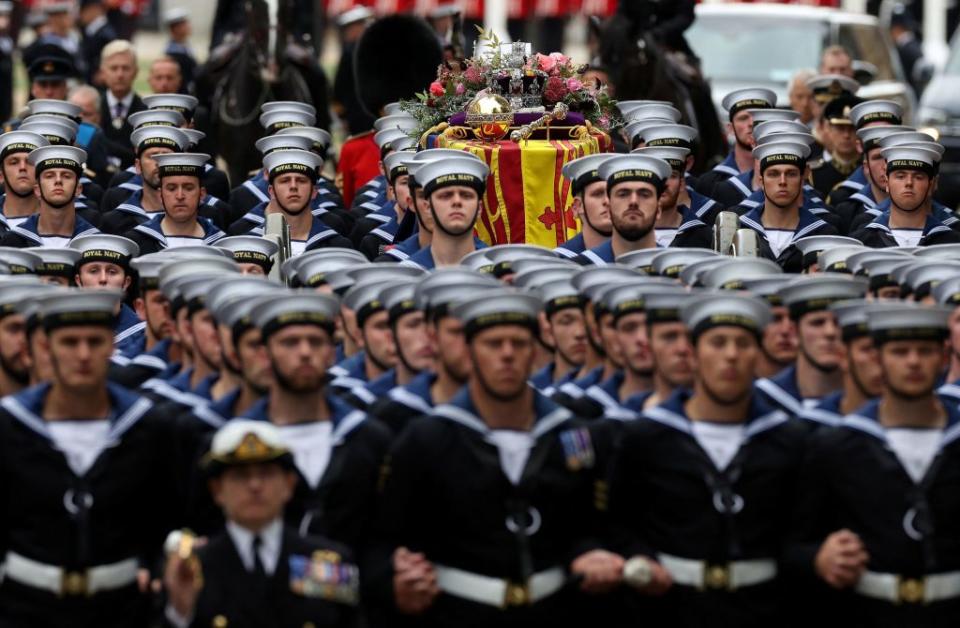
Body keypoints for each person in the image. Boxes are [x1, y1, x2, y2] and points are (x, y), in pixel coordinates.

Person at [374, 289, 619, 626]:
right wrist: (396, 576)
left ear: (535, 352)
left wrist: (592, 553)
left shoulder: (572, 434)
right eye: (493, 344)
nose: (507, 355)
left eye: (518, 344)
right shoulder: (426, 439)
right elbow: (384, 537)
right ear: (469, 351)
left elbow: (598, 523)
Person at [608, 292, 806, 627]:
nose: (731, 355)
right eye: (717, 342)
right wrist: (640, 559)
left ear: (758, 355)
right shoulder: (645, 437)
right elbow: (618, 521)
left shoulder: (788, 439)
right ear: (694, 353)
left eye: (743, 344)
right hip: (670, 607)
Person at [0, 288, 189, 626]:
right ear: (45, 348)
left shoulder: (147, 426)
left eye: (95, 341)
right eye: (70, 343)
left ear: (112, 346)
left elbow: (168, 516)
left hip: (123, 606)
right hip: (25, 606)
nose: (83, 355)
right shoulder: (10, 426)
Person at [787, 302, 960, 624]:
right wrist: (818, 557)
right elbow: (793, 542)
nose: (913, 362)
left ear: (943, 356)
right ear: (879, 359)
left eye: (925, 350)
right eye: (899, 351)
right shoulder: (836, 447)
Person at [163, 420, 361, 628]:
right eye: (240, 476)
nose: (255, 485)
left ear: (289, 484)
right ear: (217, 490)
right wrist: (180, 613)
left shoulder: (327, 562)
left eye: (266, 473)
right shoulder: (192, 569)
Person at [756, 275, 868, 416]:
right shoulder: (762, 401)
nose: (830, 332)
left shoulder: (873, 402)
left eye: (838, 323)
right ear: (795, 331)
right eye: (817, 323)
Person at [737, 141, 838, 271]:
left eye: (791, 174)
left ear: (802, 181)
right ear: (762, 181)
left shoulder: (824, 234)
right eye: (773, 174)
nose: (782, 181)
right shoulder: (739, 229)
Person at [854, 145, 960, 248]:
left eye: (918, 177)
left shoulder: (954, 243)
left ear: (930, 185)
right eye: (900, 176)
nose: (909, 182)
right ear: (887, 183)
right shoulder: (861, 242)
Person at [576, 155, 672, 265]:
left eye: (644, 194)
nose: (633, 201)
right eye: (623, 194)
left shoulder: (674, 269)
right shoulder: (579, 270)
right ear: (609, 206)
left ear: (659, 209)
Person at [123, 153, 226, 254]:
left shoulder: (221, 244)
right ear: (160, 195)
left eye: (188, 188)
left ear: (202, 195)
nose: (180, 196)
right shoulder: (136, 242)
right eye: (171, 189)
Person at [0, 145, 100, 248]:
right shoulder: (14, 240)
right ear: (37, 190)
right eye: (49, 176)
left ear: (78, 189)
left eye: (66, 176)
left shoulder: (95, 242)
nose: (58, 180)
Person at [401, 156, 490, 270]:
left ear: (479, 208)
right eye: (445, 195)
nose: (457, 201)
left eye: (466, 195)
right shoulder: (408, 275)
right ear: (427, 207)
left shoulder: (497, 275)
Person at [694, 88, 776, 198]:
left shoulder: (788, 179)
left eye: (759, 118)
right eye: (743, 118)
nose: (751, 123)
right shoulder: (708, 183)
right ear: (731, 128)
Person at [98, 40, 146, 168]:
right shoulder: (92, 108)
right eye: (114, 68)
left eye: (126, 68)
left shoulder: (146, 112)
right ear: (103, 73)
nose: (120, 74)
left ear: (135, 71)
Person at [554, 154, 611, 259]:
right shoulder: (559, 262)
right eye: (598, 194)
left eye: (617, 194)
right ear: (577, 207)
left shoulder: (646, 256)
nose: (607, 201)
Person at [0, 130, 48, 231]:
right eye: (14, 162)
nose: (22, 167)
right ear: (1, 174)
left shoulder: (61, 220)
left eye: (30, 162)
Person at [77, 0, 117, 84]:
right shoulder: (91, 30)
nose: (80, 16)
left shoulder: (105, 34)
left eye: (83, 11)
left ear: (94, 9)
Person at [163, 8, 197, 93]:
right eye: (184, 24)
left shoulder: (184, 46)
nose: (189, 26)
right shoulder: (174, 53)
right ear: (176, 28)